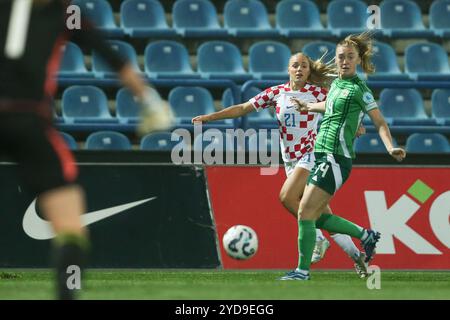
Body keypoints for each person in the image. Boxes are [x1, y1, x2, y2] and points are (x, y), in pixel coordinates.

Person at [0, 0, 172, 299]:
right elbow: (111, 55)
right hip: (30, 121)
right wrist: (150, 102)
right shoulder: (66, 12)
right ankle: (68, 292)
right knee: (70, 226)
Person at [192, 52, 370, 277]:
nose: (299, 69)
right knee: (321, 213)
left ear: (308, 71)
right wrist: (210, 117)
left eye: (304, 66)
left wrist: (356, 127)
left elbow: (342, 109)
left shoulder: (318, 93)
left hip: (313, 153)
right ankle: (358, 255)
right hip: (290, 159)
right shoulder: (277, 93)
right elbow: (243, 108)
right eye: (295, 65)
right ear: (288, 69)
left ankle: (317, 239)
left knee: (287, 197)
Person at [280, 32, 406, 281]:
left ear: (358, 59)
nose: (345, 61)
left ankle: (302, 272)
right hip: (321, 154)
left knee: (305, 211)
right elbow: (329, 105)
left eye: (350, 56)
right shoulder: (337, 83)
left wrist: (390, 147)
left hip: (336, 158)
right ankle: (365, 235)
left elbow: (379, 121)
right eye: (341, 57)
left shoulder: (360, 90)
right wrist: (309, 107)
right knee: (311, 212)